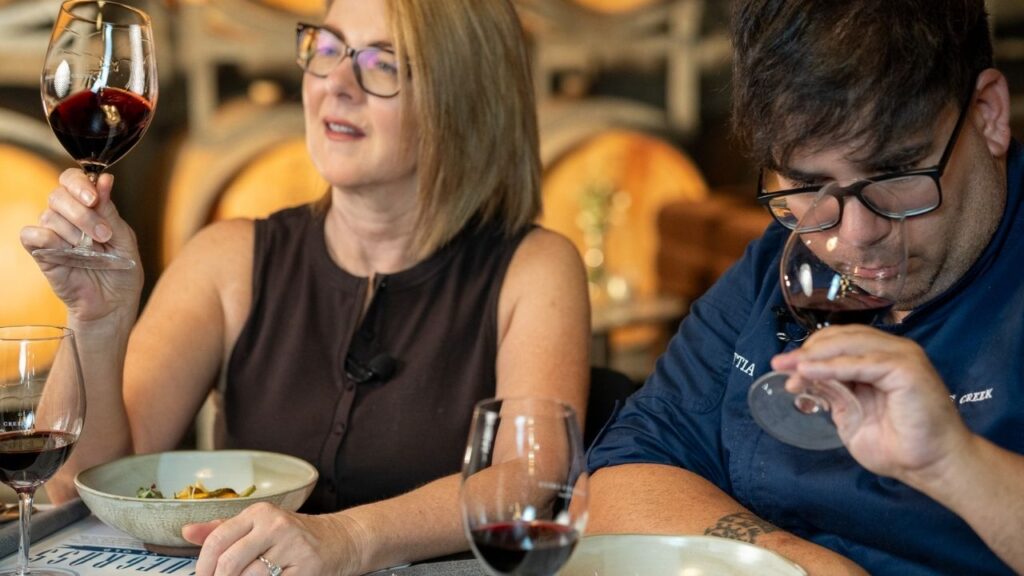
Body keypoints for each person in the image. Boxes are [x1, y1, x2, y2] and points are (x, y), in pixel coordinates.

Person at [21, 0, 590, 574]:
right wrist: (95, 323)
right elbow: (80, 489)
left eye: (382, 63)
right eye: (326, 48)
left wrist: (350, 537)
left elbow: (532, 479)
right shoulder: (226, 260)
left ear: (466, 98)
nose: (335, 84)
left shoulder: (535, 268)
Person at [585, 0, 1023, 574]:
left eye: (896, 175)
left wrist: (955, 464)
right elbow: (622, 474)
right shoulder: (779, 265)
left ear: (988, 113)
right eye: (810, 185)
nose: (856, 236)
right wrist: (799, 565)